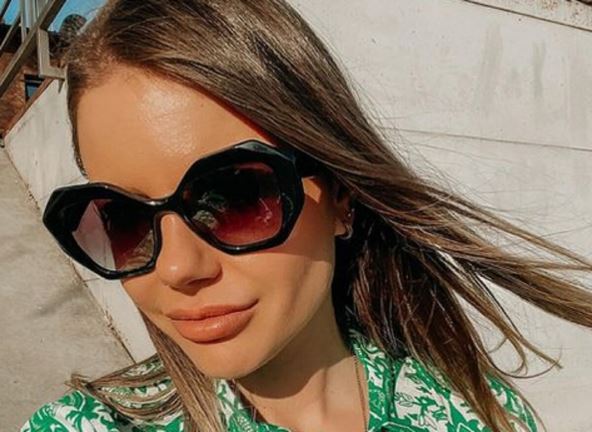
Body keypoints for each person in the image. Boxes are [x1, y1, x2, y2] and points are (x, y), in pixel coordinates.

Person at [19, 0, 592, 431]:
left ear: (340, 196)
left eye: (235, 197)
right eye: (122, 219)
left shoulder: (475, 411)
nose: (176, 269)